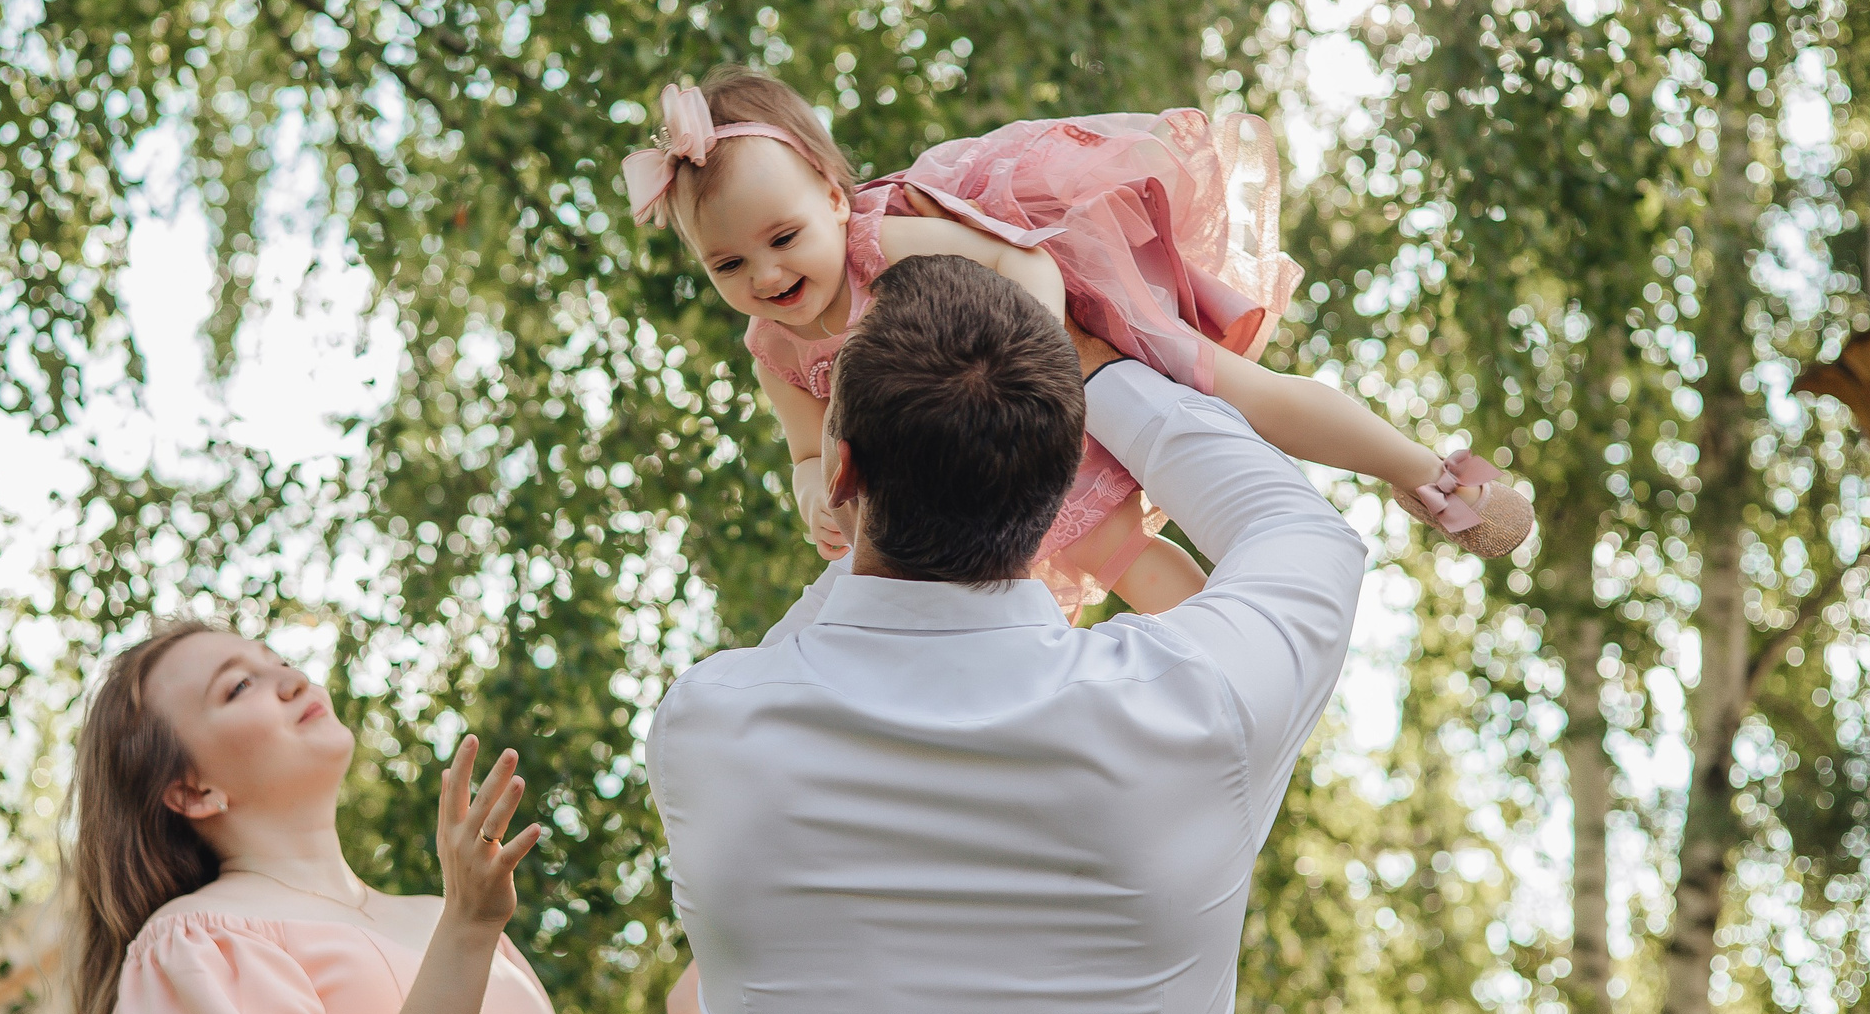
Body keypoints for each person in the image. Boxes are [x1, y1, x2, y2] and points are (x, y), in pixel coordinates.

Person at [647, 255, 1372, 1014]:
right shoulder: (1191, 709)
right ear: (1059, 483)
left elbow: (820, 638)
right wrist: (1107, 372)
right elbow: (1305, 535)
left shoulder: (711, 731)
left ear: (843, 469)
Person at [621, 67, 1529, 616]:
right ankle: (1224, 652)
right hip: (987, 424)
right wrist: (819, 495)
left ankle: (1428, 473)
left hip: (1060, 338)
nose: (767, 277)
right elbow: (804, 444)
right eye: (728, 264)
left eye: (782, 239)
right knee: (1102, 546)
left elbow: (1028, 270)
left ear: (829, 194)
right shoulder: (773, 346)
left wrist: (1052, 382)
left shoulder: (878, 239)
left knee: (1225, 388)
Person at [57, 621, 711, 1014]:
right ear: (193, 790)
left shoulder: (451, 918)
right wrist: (470, 926)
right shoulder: (194, 947)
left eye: (276, 661)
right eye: (237, 686)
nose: (288, 679)